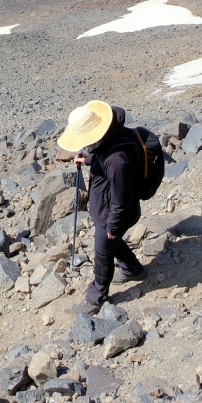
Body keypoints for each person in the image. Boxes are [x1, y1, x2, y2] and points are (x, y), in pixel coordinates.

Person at [58, 100, 147, 312]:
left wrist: (113, 227)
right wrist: (86, 160)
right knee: (110, 245)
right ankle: (133, 269)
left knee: (103, 251)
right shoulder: (111, 138)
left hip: (113, 215)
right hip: (107, 211)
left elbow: (120, 197)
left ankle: (95, 298)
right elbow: (102, 158)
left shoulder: (117, 160)